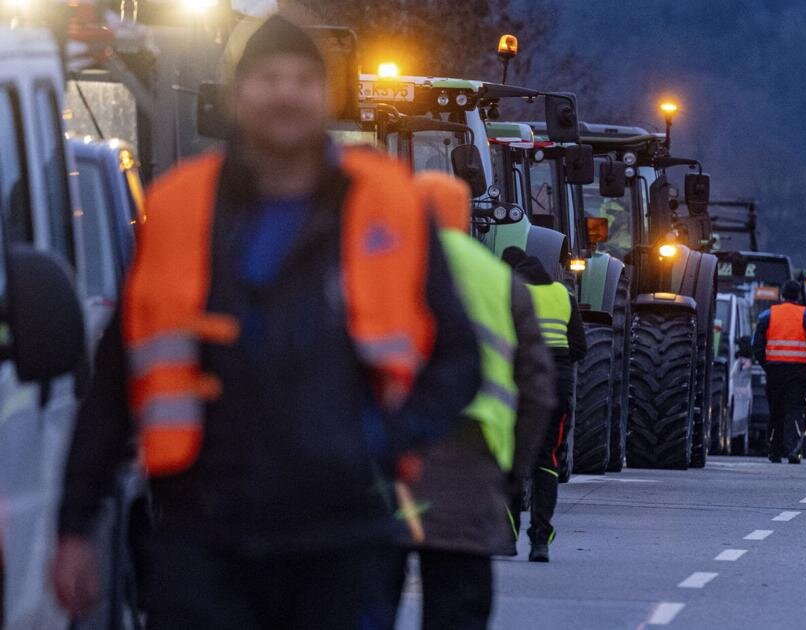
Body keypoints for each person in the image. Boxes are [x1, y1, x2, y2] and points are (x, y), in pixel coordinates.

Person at [53, 15, 480, 629]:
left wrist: (385, 439)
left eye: (303, 79)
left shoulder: (389, 206)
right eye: (268, 78)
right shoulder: (179, 206)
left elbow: (457, 356)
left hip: (344, 535)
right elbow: (118, 377)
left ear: (326, 95)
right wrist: (75, 525)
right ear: (236, 94)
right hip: (204, 532)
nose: (285, 93)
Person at [400, 172, 556, 629]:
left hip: (383, 460)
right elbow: (536, 389)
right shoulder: (502, 281)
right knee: (457, 604)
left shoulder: (376, 263)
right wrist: (513, 470)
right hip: (471, 459)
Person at [502, 248, 586, 563]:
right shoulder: (563, 295)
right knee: (546, 459)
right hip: (555, 388)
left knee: (509, 457)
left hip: (517, 385)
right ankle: (541, 539)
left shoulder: (510, 294)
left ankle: (507, 535)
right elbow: (579, 347)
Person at [752, 280, 806, 463]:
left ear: (782, 295)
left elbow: (757, 345)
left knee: (775, 410)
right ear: (799, 296)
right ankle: (793, 450)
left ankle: (774, 451)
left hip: (774, 370)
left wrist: (765, 364)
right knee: (795, 410)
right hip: (798, 372)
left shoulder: (767, 315)